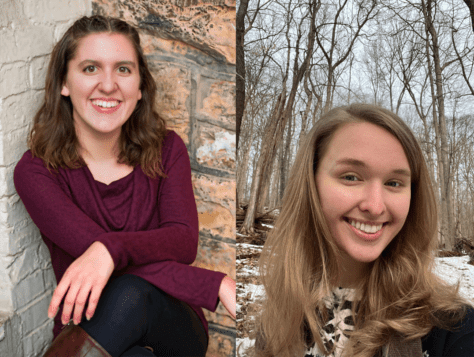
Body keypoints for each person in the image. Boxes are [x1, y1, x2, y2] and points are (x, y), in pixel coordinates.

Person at [14, 15, 236, 357]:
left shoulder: (167, 149)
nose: (108, 85)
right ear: (64, 83)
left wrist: (108, 248)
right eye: (90, 68)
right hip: (91, 328)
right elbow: (106, 254)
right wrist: (212, 283)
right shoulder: (37, 171)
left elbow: (182, 241)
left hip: (172, 324)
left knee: (132, 292)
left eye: (123, 69)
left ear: (140, 86)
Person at [253, 104, 474, 357]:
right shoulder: (278, 320)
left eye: (394, 183)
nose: (375, 206)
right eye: (351, 177)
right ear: (310, 185)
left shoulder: (454, 329)